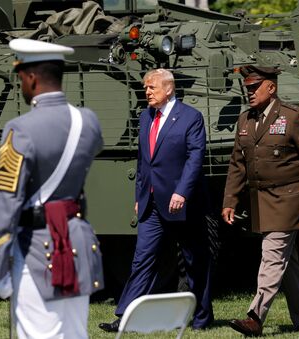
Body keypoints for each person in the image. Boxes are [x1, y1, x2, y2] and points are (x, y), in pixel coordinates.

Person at [0, 38, 104, 339]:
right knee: (76, 334)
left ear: (32, 77)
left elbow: (6, 203)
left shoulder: (19, 129)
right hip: (77, 242)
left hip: (36, 249)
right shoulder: (88, 122)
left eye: (21, 77)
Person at [99, 68, 213, 332]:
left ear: (169, 89)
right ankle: (125, 317)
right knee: (142, 259)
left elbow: (195, 159)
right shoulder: (145, 117)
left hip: (183, 203)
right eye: (145, 87)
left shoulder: (191, 117)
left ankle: (202, 319)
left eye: (152, 87)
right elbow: (144, 161)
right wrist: (140, 195)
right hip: (151, 204)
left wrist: (182, 192)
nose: (146, 91)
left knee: (194, 260)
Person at [222, 65, 299, 336]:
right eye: (247, 87)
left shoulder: (294, 116)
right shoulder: (245, 120)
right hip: (260, 201)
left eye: (254, 87)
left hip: (289, 199)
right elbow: (237, 164)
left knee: (272, 257)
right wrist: (230, 200)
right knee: (290, 262)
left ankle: (255, 316)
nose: (249, 92)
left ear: (271, 88)